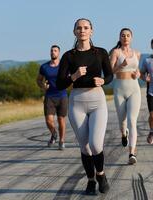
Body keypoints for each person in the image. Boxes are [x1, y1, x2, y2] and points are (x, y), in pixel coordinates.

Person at [56, 18, 113, 195]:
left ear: (91, 31)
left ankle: (101, 174)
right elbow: (59, 84)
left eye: (86, 28)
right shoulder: (68, 56)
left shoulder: (101, 53)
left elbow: (110, 75)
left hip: (97, 101)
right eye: (79, 28)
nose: (82, 30)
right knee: (84, 146)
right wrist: (73, 76)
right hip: (77, 102)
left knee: (96, 144)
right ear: (74, 32)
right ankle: (90, 180)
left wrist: (103, 80)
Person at [109, 28, 141, 165]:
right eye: (123, 35)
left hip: (134, 88)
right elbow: (110, 71)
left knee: (132, 121)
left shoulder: (137, 53)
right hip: (119, 89)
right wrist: (121, 65)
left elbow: (137, 70)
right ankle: (124, 134)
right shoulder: (116, 52)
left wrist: (138, 74)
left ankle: (131, 154)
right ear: (120, 37)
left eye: (128, 35)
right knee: (122, 121)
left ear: (131, 38)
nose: (126, 37)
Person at [37, 45, 68, 150]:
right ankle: (54, 133)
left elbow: (70, 78)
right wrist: (43, 86)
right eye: (51, 51)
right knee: (48, 120)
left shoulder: (64, 66)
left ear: (59, 53)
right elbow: (38, 80)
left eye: (55, 51)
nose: (53, 52)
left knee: (61, 120)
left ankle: (62, 141)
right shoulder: (44, 67)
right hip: (49, 96)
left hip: (62, 96)